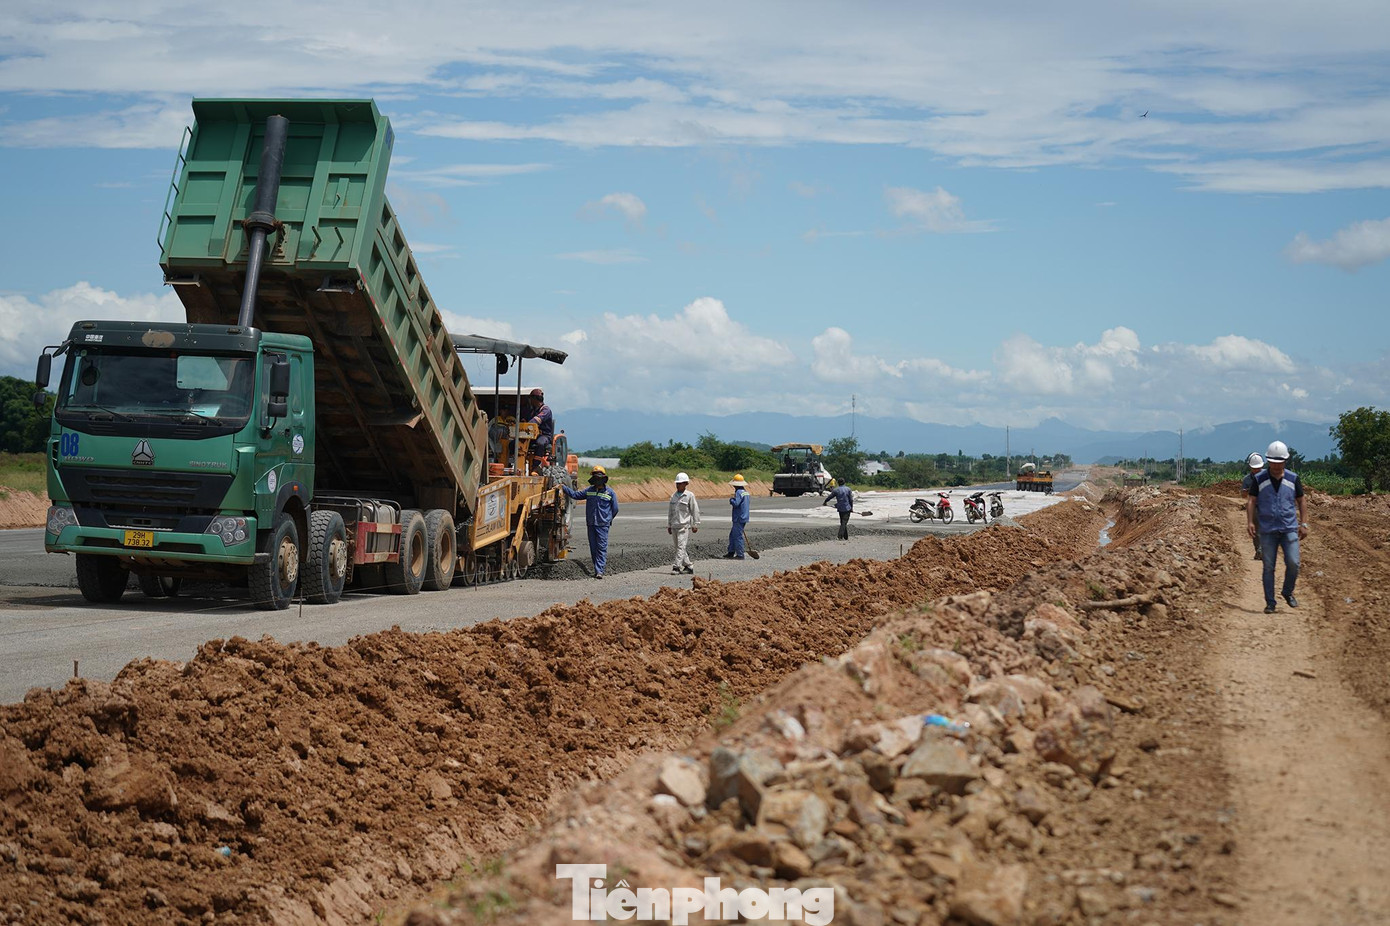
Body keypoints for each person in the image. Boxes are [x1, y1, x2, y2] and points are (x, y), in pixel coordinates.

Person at [1247, 440, 1307, 614]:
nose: (1276, 465)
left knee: (1294, 562)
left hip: (1289, 527)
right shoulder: (1259, 479)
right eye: (1272, 462)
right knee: (1268, 567)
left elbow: (1302, 500)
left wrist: (1304, 523)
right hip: (1267, 530)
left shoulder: (1293, 479)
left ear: (1285, 461)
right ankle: (1270, 602)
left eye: (1279, 462)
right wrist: (1250, 521)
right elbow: (1251, 500)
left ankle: (1287, 592)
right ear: (1268, 461)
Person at [563, 465, 618, 579]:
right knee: (593, 547)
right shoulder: (589, 491)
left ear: (603, 478)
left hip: (603, 524)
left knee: (601, 547)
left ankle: (599, 571)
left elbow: (615, 509)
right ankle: (597, 569)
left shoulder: (610, 493)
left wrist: (608, 519)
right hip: (591, 523)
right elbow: (575, 495)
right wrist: (563, 487)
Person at [667, 472, 701, 574]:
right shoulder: (673, 496)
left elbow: (695, 510)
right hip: (674, 525)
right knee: (678, 547)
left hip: (684, 526)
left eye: (680, 483)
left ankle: (676, 567)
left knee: (681, 547)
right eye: (677, 483)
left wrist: (695, 524)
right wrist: (669, 525)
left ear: (686, 483)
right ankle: (689, 566)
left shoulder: (689, 495)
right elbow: (670, 512)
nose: (678, 485)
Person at [1240, 452, 1265, 560]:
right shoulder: (1247, 480)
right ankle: (1259, 550)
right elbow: (1243, 495)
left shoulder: (1268, 476)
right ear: (1250, 467)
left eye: (1258, 468)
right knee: (1256, 529)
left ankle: (1263, 550)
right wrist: (1247, 491)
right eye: (1254, 468)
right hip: (1254, 506)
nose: (1256, 470)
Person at [724, 474, 750, 559]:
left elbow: (736, 503)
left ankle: (740, 554)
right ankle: (731, 552)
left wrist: (731, 500)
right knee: (733, 535)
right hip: (744, 516)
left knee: (737, 536)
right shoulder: (746, 492)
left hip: (738, 517)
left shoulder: (738, 492)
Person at [525, 388, 554, 461]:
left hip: (544, 435)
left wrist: (526, 425)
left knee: (540, 443)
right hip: (532, 436)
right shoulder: (532, 411)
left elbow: (536, 420)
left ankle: (536, 465)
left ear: (534, 399)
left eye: (531, 398)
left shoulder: (545, 410)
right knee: (514, 443)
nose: (530, 401)